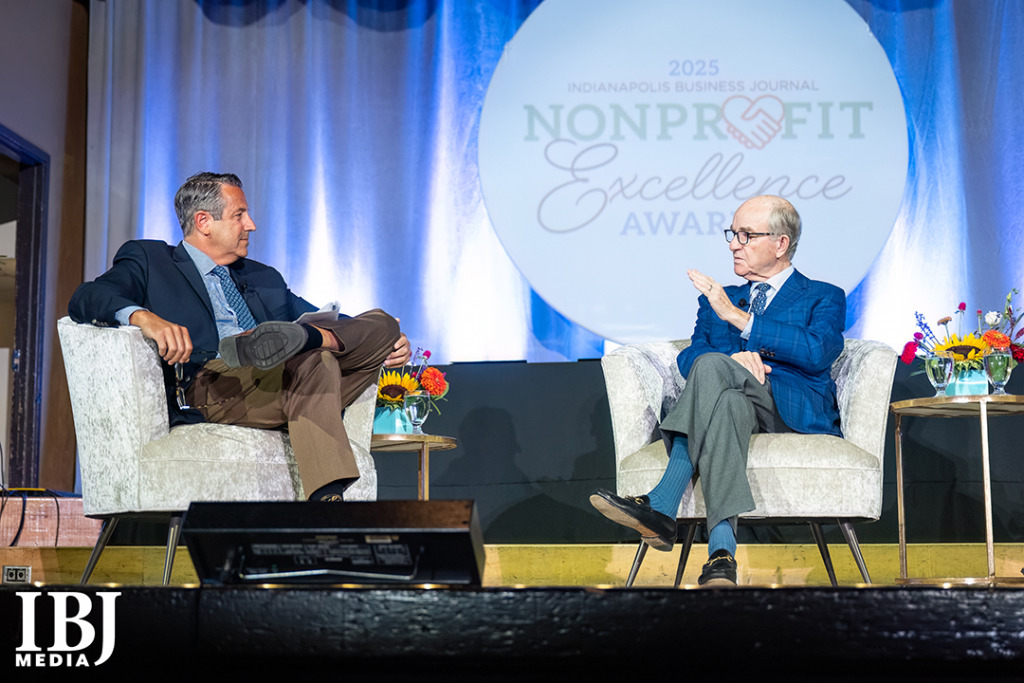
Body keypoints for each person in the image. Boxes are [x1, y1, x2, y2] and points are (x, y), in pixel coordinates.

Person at [69, 172, 410, 501]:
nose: (252, 225)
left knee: (381, 323)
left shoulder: (264, 277)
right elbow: (87, 296)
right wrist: (143, 317)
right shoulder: (151, 260)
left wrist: (389, 343)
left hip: (285, 381)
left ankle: (306, 339)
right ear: (204, 222)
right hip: (215, 384)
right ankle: (328, 503)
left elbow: (337, 322)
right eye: (239, 215)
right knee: (317, 358)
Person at [590, 195, 845, 586]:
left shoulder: (822, 295)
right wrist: (733, 362)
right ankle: (721, 556)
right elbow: (690, 357)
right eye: (732, 233)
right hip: (733, 406)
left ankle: (663, 502)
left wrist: (740, 320)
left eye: (746, 235)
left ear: (780, 243)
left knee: (713, 366)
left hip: (788, 408)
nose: (733, 245)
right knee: (725, 400)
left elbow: (816, 352)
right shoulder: (715, 300)